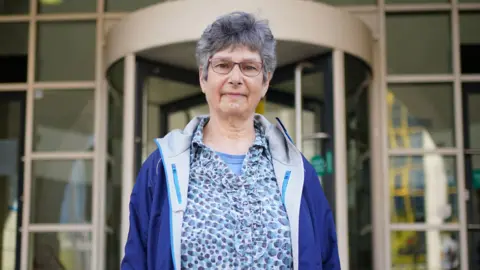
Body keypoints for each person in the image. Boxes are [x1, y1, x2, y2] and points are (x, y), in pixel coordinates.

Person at [121, 11, 340, 270]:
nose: (235, 79)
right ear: (203, 77)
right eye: (223, 65)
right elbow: (137, 261)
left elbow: (327, 260)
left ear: (266, 81)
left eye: (249, 67)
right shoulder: (160, 169)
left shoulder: (299, 171)